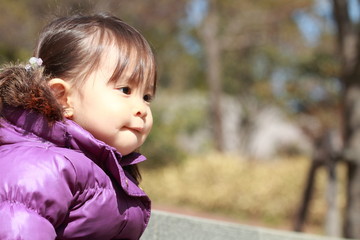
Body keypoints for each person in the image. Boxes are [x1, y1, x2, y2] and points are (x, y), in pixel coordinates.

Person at [0, 13, 156, 240]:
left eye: (147, 96)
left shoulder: (101, 168)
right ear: (62, 97)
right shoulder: (42, 165)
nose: (142, 109)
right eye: (125, 90)